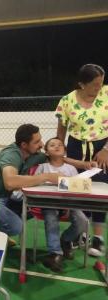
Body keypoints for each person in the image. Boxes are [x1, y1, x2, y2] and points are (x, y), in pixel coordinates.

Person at [0, 124, 91, 238]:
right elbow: (10, 183)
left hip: (12, 198)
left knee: (37, 208)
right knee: (16, 226)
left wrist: (84, 164)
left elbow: (59, 157)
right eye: (37, 142)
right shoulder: (11, 155)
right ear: (24, 145)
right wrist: (47, 177)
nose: (42, 145)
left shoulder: (34, 154)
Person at [55, 63, 108, 257]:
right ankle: (81, 233)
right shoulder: (67, 100)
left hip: (102, 149)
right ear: (82, 84)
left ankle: (99, 238)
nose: (99, 87)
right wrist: (58, 153)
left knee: (100, 192)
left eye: (101, 83)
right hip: (76, 148)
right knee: (79, 191)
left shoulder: (106, 94)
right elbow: (61, 130)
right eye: (95, 84)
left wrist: (106, 150)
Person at [34, 137, 88, 273]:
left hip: (69, 203)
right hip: (48, 203)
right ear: (46, 152)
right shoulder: (42, 168)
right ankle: (55, 253)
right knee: (51, 220)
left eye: (60, 145)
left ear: (64, 150)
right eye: (52, 145)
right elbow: (34, 185)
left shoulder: (71, 169)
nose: (57, 146)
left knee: (83, 221)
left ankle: (65, 240)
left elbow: (77, 189)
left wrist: (69, 206)